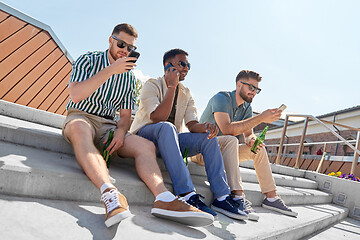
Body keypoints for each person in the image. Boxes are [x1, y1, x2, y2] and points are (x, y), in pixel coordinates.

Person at [62, 24, 214, 228]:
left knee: (146, 146)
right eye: (121, 44)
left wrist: (121, 132)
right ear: (110, 40)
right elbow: (76, 95)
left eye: (130, 47)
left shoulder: (129, 77)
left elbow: (125, 116)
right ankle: (110, 193)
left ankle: (164, 199)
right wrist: (110, 71)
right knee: (80, 129)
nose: (125, 50)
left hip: (109, 124)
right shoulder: (88, 60)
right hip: (80, 116)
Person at [130, 49, 248, 221]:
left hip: (170, 139)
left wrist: (207, 127)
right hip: (145, 136)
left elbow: (192, 125)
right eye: (182, 64)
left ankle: (222, 197)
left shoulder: (186, 93)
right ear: (167, 66)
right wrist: (171, 86)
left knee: (207, 138)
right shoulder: (152, 84)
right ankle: (186, 193)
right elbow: (156, 118)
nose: (186, 68)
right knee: (167, 127)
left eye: (188, 65)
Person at [197, 70, 298, 219]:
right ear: (239, 85)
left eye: (257, 90)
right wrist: (261, 118)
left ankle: (271, 197)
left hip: (224, 151)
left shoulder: (246, 108)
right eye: (251, 88)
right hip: (202, 150)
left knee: (257, 149)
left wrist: (252, 140)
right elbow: (227, 129)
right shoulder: (221, 98)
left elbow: (248, 134)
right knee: (232, 139)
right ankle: (237, 196)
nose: (254, 93)